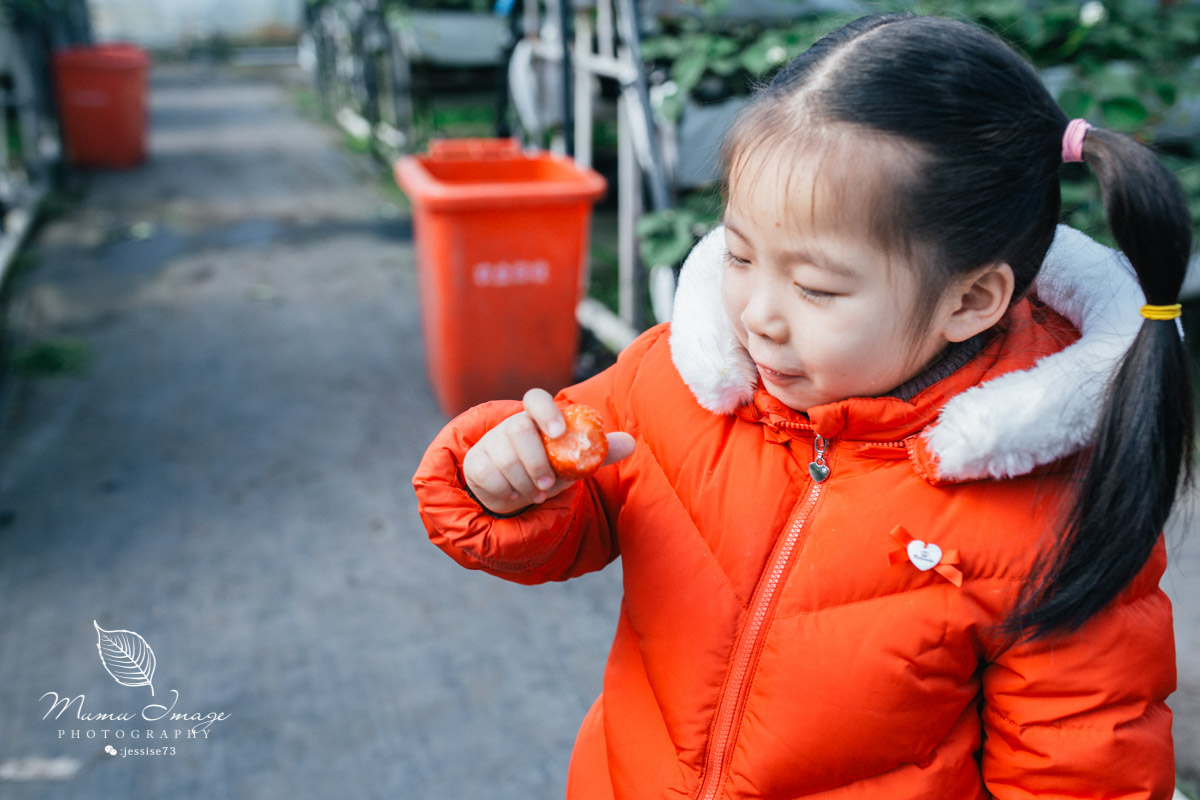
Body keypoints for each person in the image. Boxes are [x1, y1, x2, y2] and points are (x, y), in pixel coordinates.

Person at [413, 12, 1192, 799]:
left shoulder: (1055, 507)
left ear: (972, 299)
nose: (759, 313)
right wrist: (503, 481)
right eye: (741, 254)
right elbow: (574, 522)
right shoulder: (680, 378)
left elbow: (1082, 767)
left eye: (817, 288)